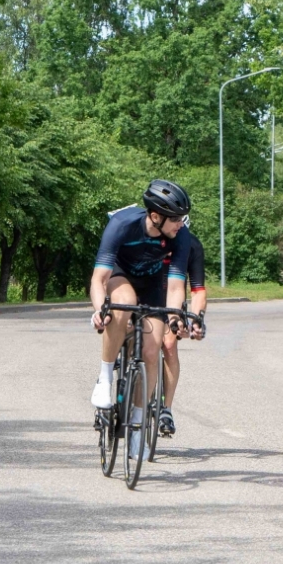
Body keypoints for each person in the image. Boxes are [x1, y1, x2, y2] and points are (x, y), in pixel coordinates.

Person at [89, 179, 192, 411]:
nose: (180, 224)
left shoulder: (181, 236)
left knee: (151, 349)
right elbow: (99, 278)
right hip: (120, 274)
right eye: (175, 218)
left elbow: (175, 287)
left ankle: (138, 422)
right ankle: (104, 378)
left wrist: (175, 319)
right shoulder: (121, 224)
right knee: (124, 302)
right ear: (156, 216)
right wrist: (99, 310)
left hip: (152, 284)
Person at [156, 218, 209, 437]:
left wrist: (196, 318)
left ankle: (166, 409)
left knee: (169, 345)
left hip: (172, 302)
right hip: (143, 294)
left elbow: (198, 290)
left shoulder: (192, 245)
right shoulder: (150, 240)